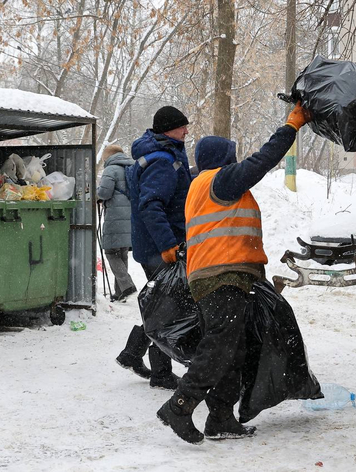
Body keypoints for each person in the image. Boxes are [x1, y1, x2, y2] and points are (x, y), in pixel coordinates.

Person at [156, 102, 312, 444]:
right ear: (223, 160)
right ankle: (180, 406)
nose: (236, 162)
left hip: (218, 277)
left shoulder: (201, 185)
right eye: (232, 156)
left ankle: (221, 417)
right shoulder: (220, 181)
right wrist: (292, 126)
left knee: (233, 348)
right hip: (221, 277)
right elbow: (263, 160)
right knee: (219, 347)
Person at [115, 105, 193, 390]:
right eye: (182, 126)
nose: (187, 131)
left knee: (162, 303)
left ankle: (133, 353)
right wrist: (168, 245)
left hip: (156, 245)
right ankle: (159, 372)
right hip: (160, 248)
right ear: (168, 130)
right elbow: (151, 206)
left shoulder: (165, 155)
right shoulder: (161, 161)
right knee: (167, 308)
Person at [97, 145, 137, 302]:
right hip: (132, 215)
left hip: (115, 216)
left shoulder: (111, 170)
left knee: (111, 252)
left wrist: (96, 194)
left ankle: (127, 286)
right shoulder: (133, 167)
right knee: (121, 252)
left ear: (108, 157)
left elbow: (104, 193)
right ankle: (120, 292)